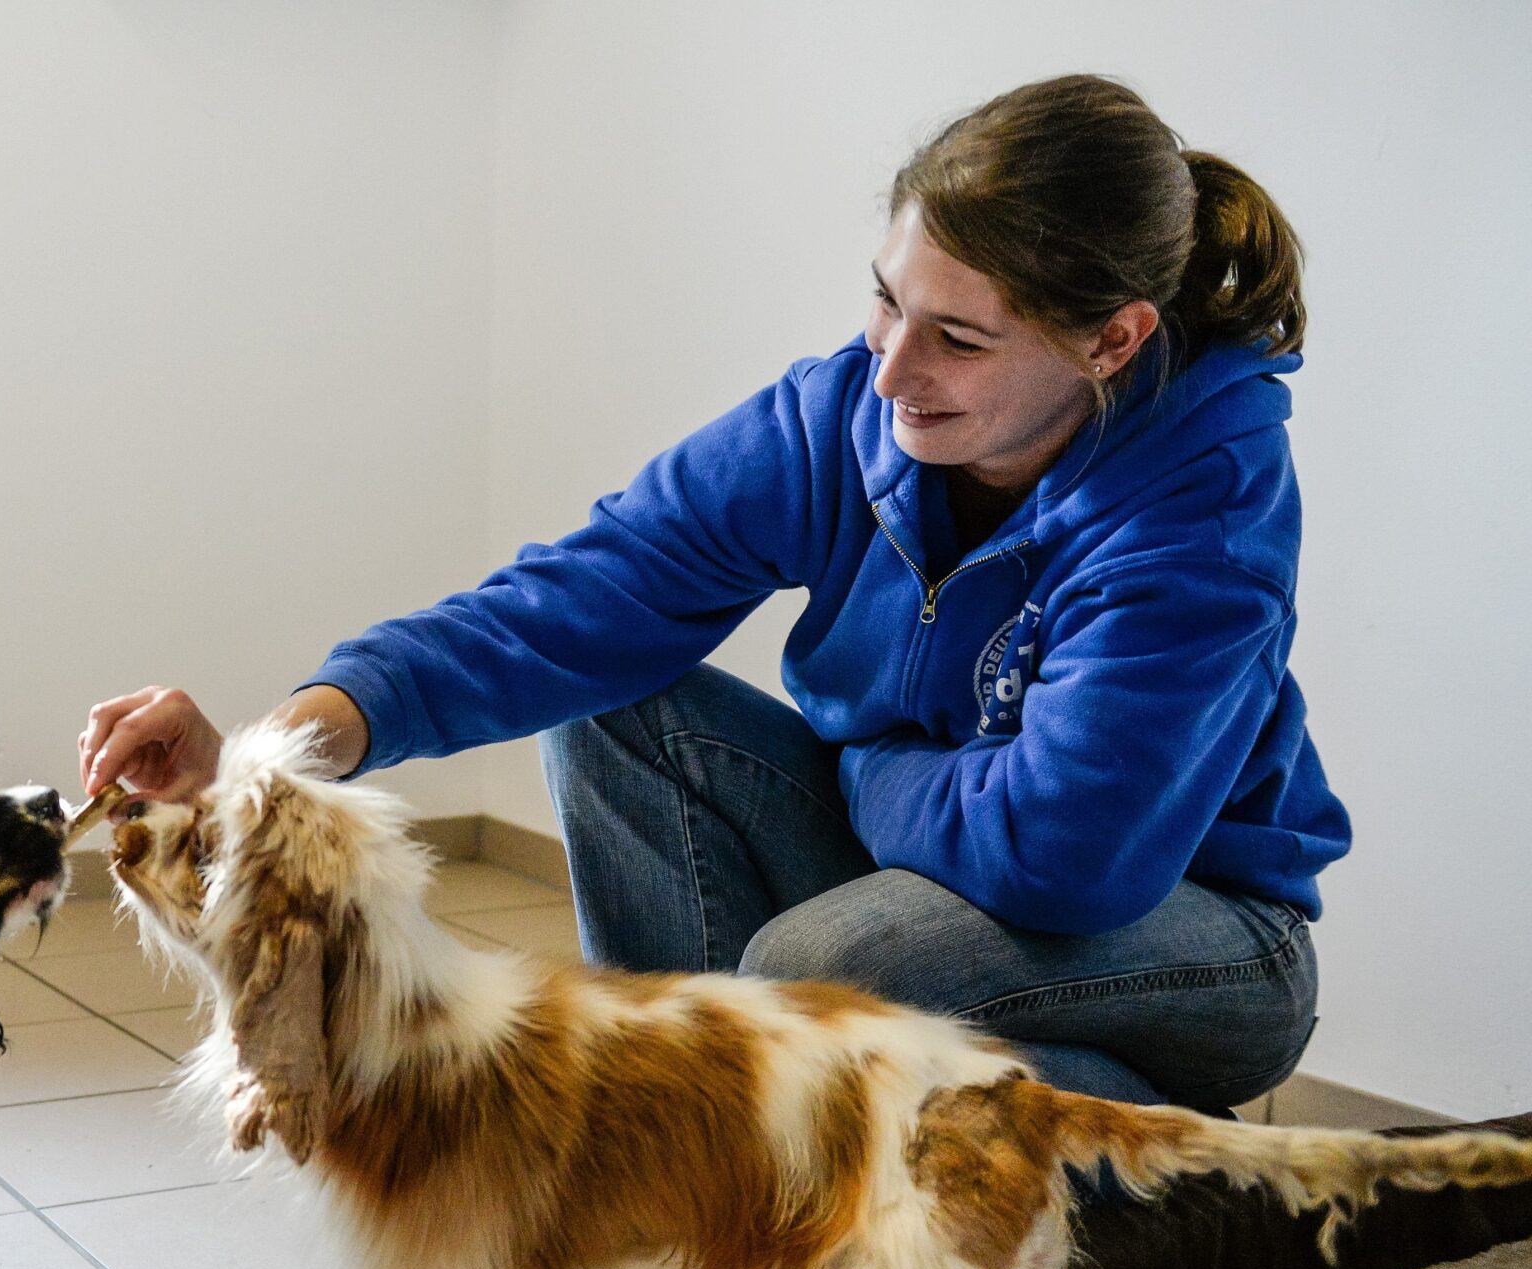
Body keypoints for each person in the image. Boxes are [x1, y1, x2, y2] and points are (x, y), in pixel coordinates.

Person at [78, 74, 1348, 1117]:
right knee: (615, 708)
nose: (892, 369)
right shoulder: (843, 415)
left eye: (958, 338)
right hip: (940, 860)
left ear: (1111, 341)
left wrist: (867, 770)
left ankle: (1144, 1153)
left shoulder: (1202, 504)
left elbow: (1062, 851)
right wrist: (271, 750)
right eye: (887, 299)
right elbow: (587, 597)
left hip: (1199, 932)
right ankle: (713, 1130)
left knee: (817, 970)